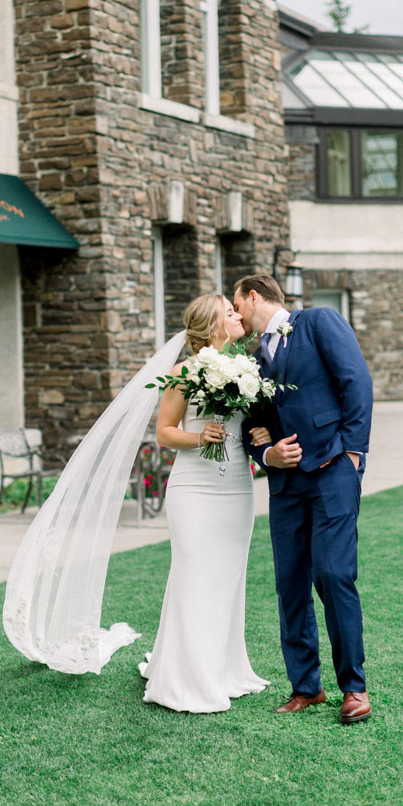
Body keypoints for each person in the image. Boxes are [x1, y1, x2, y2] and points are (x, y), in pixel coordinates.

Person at [234, 274, 374, 724]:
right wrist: (267, 453)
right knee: (290, 584)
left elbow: (356, 381)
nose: (236, 315)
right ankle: (306, 688)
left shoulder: (317, 322)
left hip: (334, 469)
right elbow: (249, 427)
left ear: (254, 296)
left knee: (333, 574)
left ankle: (354, 687)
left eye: (238, 305)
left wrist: (353, 453)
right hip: (286, 486)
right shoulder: (251, 360)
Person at [138, 293, 271, 713]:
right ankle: (186, 678)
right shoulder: (184, 372)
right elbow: (164, 431)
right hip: (194, 487)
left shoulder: (247, 368)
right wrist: (200, 437)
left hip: (236, 483)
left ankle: (222, 669)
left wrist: (263, 436)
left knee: (229, 578)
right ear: (212, 325)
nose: (238, 316)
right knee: (194, 574)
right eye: (229, 313)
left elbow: (251, 423)